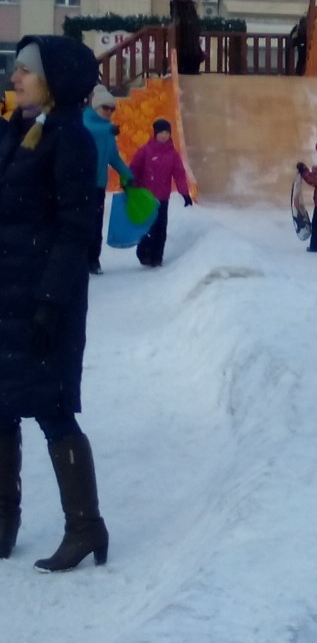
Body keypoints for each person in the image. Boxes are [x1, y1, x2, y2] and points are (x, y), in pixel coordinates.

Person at [0, 34, 111, 571]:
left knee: (53, 411)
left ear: (52, 81)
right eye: (16, 69)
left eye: (24, 70)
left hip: (44, 299)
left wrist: (50, 303)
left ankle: (86, 526)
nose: (14, 77)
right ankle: (3, 522)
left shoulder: (71, 140)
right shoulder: (16, 132)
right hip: (6, 295)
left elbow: (74, 231)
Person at [81, 85, 133, 274]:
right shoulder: (84, 121)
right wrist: (108, 129)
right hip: (79, 185)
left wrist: (128, 174)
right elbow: (89, 129)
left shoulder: (107, 131)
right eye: (106, 108)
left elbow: (114, 157)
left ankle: (93, 259)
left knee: (96, 224)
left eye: (112, 109)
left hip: (98, 184)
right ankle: (78, 260)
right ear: (95, 107)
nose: (110, 112)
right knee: (79, 224)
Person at [129, 119, 193, 268]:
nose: (164, 136)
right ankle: (144, 254)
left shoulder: (173, 154)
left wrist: (185, 193)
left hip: (162, 198)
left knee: (160, 229)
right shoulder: (145, 150)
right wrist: (131, 186)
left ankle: (157, 257)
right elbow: (134, 169)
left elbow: (179, 174)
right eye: (161, 133)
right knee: (148, 228)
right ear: (155, 133)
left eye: (167, 133)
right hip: (146, 197)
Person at [169, 0, 203, 75]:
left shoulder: (191, 4)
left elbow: (195, 18)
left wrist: (197, 29)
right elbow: (175, 17)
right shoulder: (174, 3)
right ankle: (183, 69)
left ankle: (194, 69)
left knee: (195, 52)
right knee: (183, 52)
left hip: (192, 33)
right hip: (182, 33)